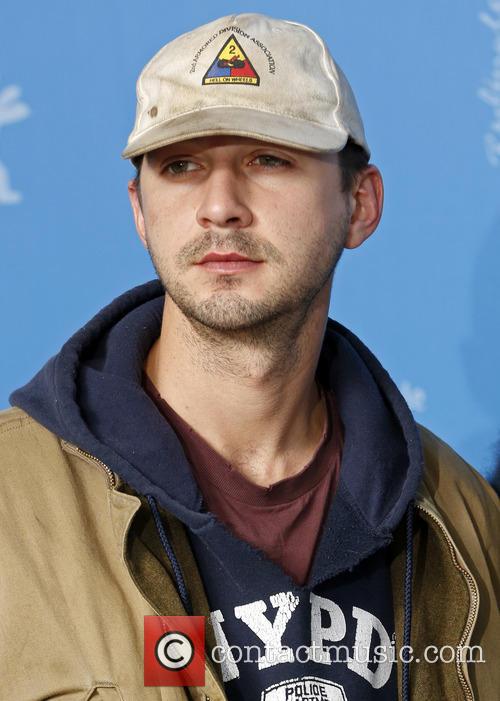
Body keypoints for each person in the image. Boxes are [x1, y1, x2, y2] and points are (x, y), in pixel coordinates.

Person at [0, 13, 497, 701]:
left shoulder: (466, 517)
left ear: (360, 204)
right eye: (181, 166)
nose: (220, 206)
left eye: (269, 159)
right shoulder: (12, 499)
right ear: (140, 210)